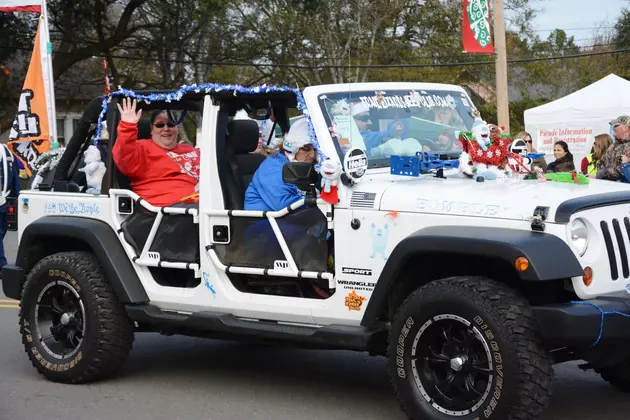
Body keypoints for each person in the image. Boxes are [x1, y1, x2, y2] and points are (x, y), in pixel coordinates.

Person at [113, 98, 200, 207]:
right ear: (151, 129)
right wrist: (128, 126)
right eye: (160, 125)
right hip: (164, 213)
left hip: (203, 206)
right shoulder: (142, 148)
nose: (166, 128)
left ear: (177, 128)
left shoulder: (190, 150)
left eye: (171, 124)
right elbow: (124, 155)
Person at [244, 117, 317, 212]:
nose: (312, 155)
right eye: (306, 149)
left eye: (315, 149)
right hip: (260, 222)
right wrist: (319, 204)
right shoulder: (273, 167)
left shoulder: (298, 165)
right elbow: (283, 205)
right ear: (292, 148)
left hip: (284, 220)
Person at [0, 147, 21, 271]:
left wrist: (15, 198)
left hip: (5, 200)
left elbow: (15, 176)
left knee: (2, 231)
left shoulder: (7, 152)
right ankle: (1, 264)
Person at [597, 116, 630, 180]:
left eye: (616, 125)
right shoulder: (613, 146)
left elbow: (625, 171)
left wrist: (604, 173)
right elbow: (601, 164)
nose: (613, 127)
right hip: (609, 186)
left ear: (625, 128)